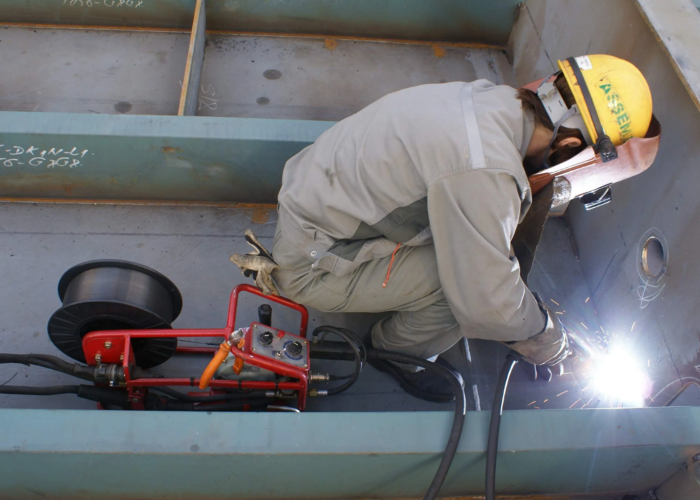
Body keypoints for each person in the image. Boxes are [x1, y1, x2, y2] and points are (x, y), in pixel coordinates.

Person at [231, 55, 655, 402]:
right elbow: (485, 301)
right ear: (570, 145)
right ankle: (394, 352)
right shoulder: (486, 170)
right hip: (312, 263)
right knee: (461, 294)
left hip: (315, 207)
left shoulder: (492, 101)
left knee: (479, 259)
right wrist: (553, 345)